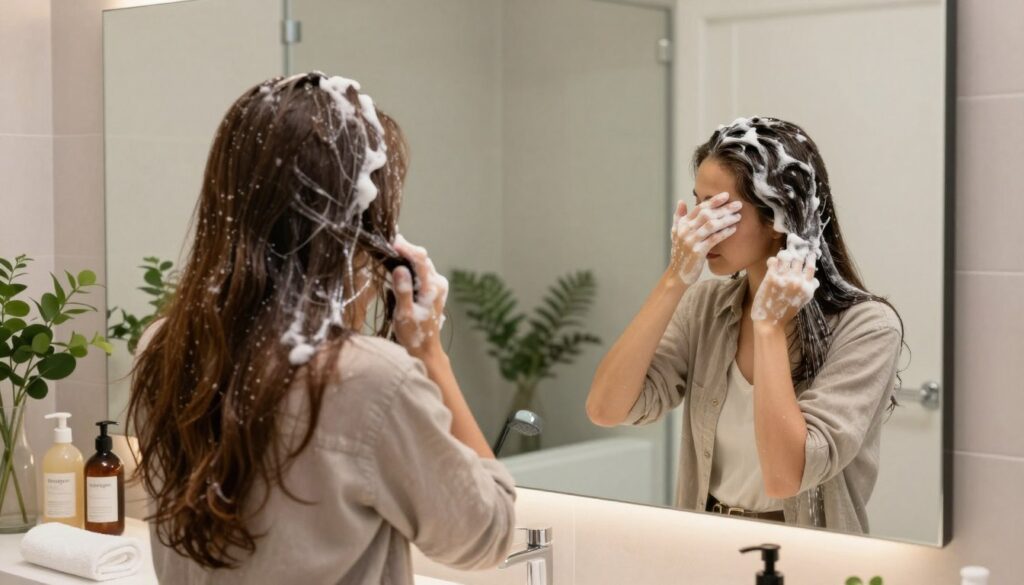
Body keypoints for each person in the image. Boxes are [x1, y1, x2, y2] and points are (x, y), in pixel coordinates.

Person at [127, 72, 515, 584]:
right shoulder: (369, 380)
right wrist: (428, 353)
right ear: (362, 228)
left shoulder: (165, 348)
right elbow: (485, 533)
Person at [586, 117, 904, 533]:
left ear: (778, 218)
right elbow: (607, 409)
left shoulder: (867, 328)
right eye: (697, 205)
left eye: (719, 210)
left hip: (813, 558)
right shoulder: (705, 306)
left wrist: (769, 327)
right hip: (707, 543)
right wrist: (674, 279)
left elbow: (784, 475)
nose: (699, 227)